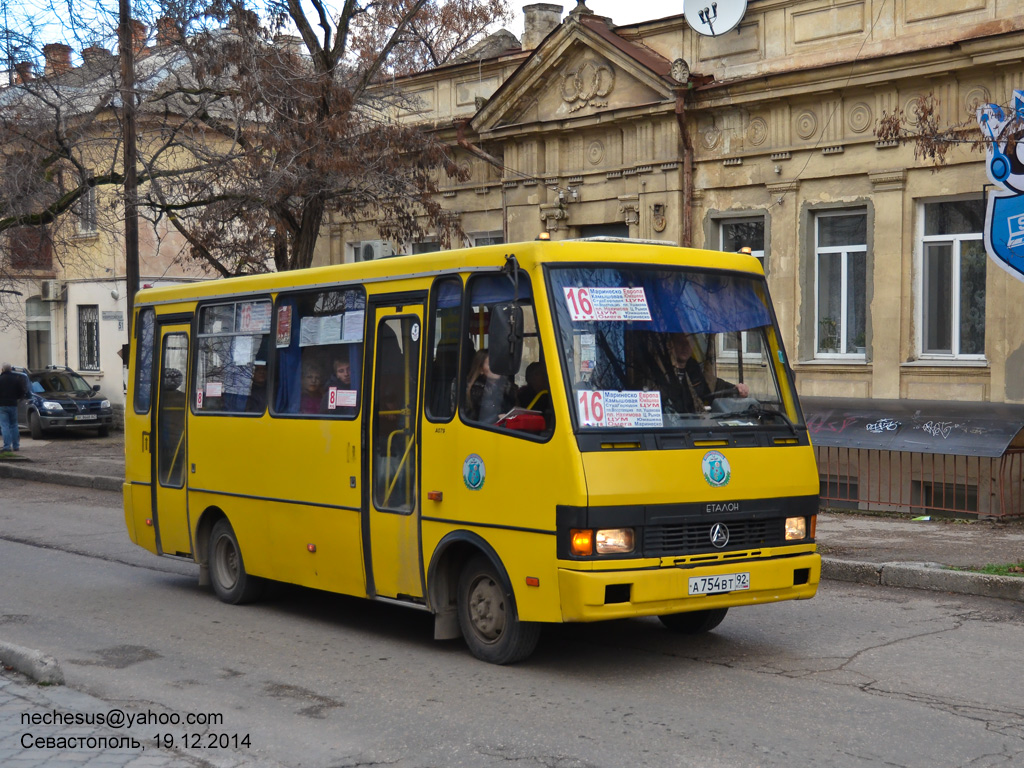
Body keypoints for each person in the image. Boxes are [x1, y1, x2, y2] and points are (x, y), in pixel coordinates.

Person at [654, 333, 749, 413]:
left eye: (689, 343)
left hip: (697, 427)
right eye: (680, 342)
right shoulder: (660, 372)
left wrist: (737, 389)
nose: (685, 347)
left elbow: (714, 386)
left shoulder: (695, 371)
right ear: (671, 344)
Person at [465, 349, 516, 423]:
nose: (496, 368)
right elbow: (471, 422)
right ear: (481, 370)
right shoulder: (473, 392)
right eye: (490, 364)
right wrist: (497, 418)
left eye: (497, 364)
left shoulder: (507, 389)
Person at [0, 362, 29, 453]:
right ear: (11, 369)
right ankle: (16, 445)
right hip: (13, 404)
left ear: (2, 370)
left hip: (2, 405)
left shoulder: (0, 379)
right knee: (14, 425)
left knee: (5, 426)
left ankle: (7, 446)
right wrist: (17, 399)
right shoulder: (16, 379)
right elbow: (22, 392)